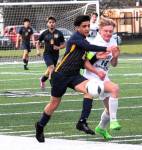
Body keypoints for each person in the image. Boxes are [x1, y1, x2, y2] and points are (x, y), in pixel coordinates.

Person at [35, 15, 117, 143]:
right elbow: (89, 47)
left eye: (88, 26)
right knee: (54, 104)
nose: (87, 28)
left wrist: (97, 58)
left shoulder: (84, 39)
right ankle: (40, 125)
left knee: (91, 89)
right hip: (60, 76)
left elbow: (84, 60)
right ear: (77, 27)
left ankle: (82, 122)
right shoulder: (76, 38)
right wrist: (106, 48)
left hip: (74, 75)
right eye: (84, 26)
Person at [77, 17, 121, 140]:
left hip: (103, 77)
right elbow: (86, 63)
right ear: (100, 31)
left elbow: (113, 64)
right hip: (91, 78)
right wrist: (97, 63)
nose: (108, 33)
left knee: (109, 108)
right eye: (105, 31)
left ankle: (101, 128)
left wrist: (116, 57)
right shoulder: (94, 43)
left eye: (110, 31)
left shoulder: (113, 41)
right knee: (115, 88)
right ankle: (113, 121)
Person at [36, 16, 65, 89]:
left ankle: (42, 80)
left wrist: (58, 47)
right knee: (52, 68)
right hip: (47, 54)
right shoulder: (44, 33)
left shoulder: (59, 33)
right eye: (50, 22)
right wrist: (38, 50)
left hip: (56, 55)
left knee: (49, 70)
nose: (51, 24)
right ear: (47, 24)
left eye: (53, 22)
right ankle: (54, 86)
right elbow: (38, 42)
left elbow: (64, 44)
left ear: (55, 23)